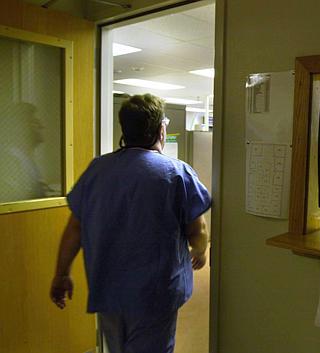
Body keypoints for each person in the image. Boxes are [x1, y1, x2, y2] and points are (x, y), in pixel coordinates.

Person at [49, 94, 210, 353]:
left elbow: (75, 229)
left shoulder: (97, 170)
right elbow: (197, 230)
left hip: (108, 288)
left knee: (117, 348)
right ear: (161, 129)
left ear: (125, 129)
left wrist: (61, 274)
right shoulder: (176, 173)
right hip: (155, 292)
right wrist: (200, 250)